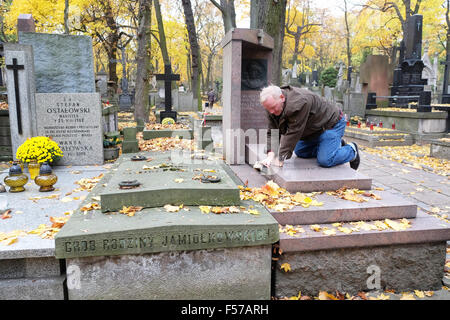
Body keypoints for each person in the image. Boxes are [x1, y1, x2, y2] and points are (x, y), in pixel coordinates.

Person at [260, 85, 360, 170]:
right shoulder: (272, 105)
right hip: (315, 129)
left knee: (325, 160)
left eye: (273, 107)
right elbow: (273, 130)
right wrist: (271, 155)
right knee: (300, 151)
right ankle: (333, 145)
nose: (271, 112)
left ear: (282, 98)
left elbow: (294, 132)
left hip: (331, 124)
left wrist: (280, 158)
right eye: (268, 109)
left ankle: (351, 150)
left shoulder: (298, 103)